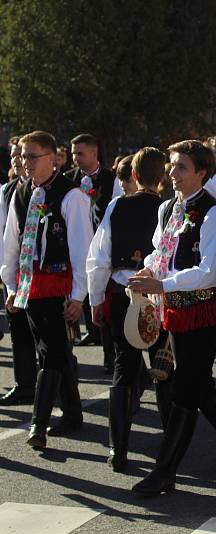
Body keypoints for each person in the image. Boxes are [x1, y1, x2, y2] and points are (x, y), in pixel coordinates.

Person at [129, 140, 216, 495]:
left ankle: (165, 471)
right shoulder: (168, 207)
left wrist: (162, 281)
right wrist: (146, 273)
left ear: (201, 172)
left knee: (185, 388)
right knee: (192, 385)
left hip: (200, 309)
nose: (173, 173)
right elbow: (159, 249)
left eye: (181, 167)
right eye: (172, 166)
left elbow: (209, 270)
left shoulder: (214, 214)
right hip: (170, 304)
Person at [1, 130, 93, 448]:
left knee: (51, 354)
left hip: (59, 285)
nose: (25, 163)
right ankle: (72, 414)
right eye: (23, 156)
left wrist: (79, 294)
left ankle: (38, 425)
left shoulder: (71, 196)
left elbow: (83, 249)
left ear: (52, 158)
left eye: (32, 156)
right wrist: (11, 285)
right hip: (29, 285)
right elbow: (10, 244)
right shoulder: (21, 192)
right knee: (53, 350)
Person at [86, 147, 173, 471]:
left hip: (125, 292)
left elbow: (99, 257)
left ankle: (118, 448)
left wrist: (96, 300)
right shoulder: (169, 209)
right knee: (163, 368)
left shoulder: (118, 205)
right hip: (158, 294)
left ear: (133, 175)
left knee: (125, 367)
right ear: (162, 176)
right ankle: (170, 444)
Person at [66, 134, 121, 379]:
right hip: (76, 247)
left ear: (93, 153)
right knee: (76, 298)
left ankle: (110, 355)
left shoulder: (111, 179)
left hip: (103, 248)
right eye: (73, 153)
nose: (75, 158)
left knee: (104, 301)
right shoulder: (68, 181)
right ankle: (71, 352)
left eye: (80, 153)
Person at [0, 137, 37, 406]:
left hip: (46, 274)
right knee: (19, 330)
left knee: (50, 339)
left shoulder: (59, 191)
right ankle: (24, 384)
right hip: (17, 271)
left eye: (23, 155)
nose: (18, 161)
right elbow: (5, 235)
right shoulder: (8, 190)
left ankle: (59, 386)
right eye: (14, 156)